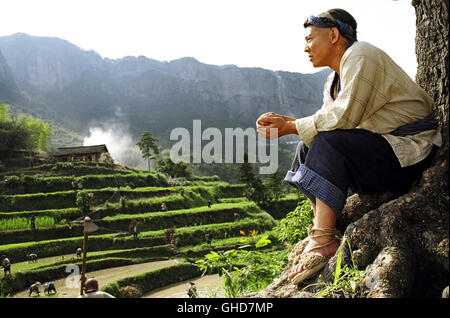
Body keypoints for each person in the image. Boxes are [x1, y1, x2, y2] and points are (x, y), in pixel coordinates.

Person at [256, 8, 442, 285]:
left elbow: (344, 117)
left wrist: (291, 125)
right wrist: (292, 126)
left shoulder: (361, 54)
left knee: (327, 141)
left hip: (409, 153)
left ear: (333, 34)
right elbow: (329, 122)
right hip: (381, 155)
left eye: (309, 39)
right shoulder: (333, 80)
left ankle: (323, 241)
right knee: (305, 148)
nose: (305, 47)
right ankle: (325, 229)